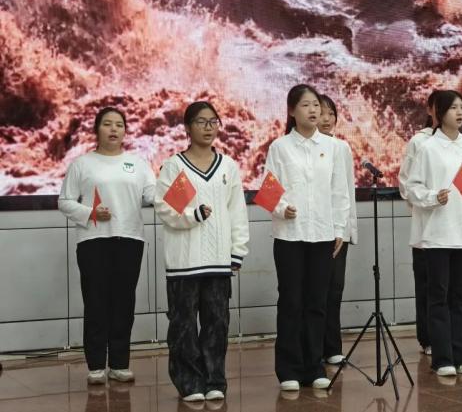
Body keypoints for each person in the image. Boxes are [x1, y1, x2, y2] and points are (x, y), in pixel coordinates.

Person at [154, 101, 249, 402]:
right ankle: (189, 382)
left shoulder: (228, 166)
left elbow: (237, 212)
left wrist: (237, 250)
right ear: (187, 127)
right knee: (183, 324)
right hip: (184, 261)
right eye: (201, 122)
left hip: (219, 260)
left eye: (213, 122)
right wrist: (192, 216)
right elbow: (165, 207)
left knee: (217, 323)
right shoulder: (176, 166)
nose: (208, 128)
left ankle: (214, 380)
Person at [58, 107, 155, 384]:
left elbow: (153, 194)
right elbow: (64, 201)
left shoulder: (138, 164)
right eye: (108, 124)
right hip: (93, 241)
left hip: (130, 239)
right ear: (97, 129)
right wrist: (89, 213)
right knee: (96, 302)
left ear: (125, 131)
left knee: (124, 302)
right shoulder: (82, 164)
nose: (114, 129)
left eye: (119, 125)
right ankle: (96, 365)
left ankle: (120, 364)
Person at [264, 84, 350, 391]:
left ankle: (314, 366)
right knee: (291, 301)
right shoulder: (280, 147)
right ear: (291, 111)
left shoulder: (333, 147)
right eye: (305, 105)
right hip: (290, 235)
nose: (313, 110)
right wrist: (282, 208)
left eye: (316, 105)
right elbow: (268, 191)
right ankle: (289, 368)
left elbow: (340, 191)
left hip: (322, 234)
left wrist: (339, 229)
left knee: (317, 302)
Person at [406, 90, 462, 376]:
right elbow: (412, 187)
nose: (459, 113)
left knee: (458, 298)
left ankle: (460, 355)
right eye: (453, 108)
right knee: (438, 297)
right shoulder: (428, 148)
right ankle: (442, 358)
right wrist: (432, 197)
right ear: (439, 113)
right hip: (437, 233)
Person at [398, 90, 441, 356]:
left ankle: (449, 336)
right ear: (431, 110)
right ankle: (428, 338)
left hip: (453, 229)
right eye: (446, 107)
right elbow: (406, 183)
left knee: (449, 287)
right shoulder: (419, 141)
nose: (455, 113)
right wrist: (426, 201)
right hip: (426, 226)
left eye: (459, 108)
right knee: (426, 284)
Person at [317, 94, 358, 365]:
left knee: (334, 289)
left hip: (336, 231)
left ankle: (331, 347)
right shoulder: (286, 147)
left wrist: (346, 229)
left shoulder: (341, 147)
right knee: (312, 292)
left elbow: (346, 192)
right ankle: (311, 348)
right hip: (307, 232)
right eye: (321, 112)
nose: (327, 118)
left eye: (331, 113)